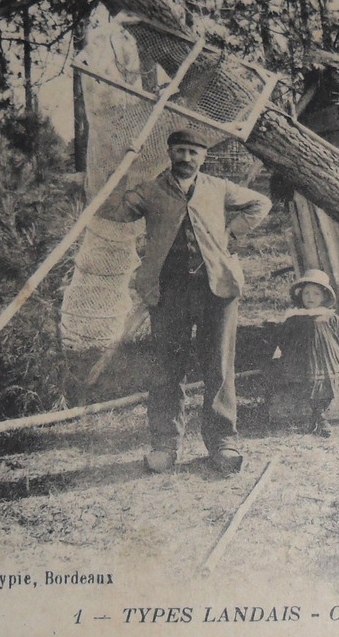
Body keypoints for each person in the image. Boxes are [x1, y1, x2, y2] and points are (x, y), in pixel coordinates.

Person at [102, 129, 271, 474]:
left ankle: (223, 441)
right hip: (168, 290)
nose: (187, 158)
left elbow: (261, 203)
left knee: (219, 366)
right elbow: (115, 211)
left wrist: (229, 232)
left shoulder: (218, 188)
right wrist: (112, 176)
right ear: (170, 153)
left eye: (194, 152)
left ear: (203, 156)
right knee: (166, 368)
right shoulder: (150, 190)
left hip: (217, 289)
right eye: (180, 150)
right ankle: (164, 444)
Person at [270, 268, 339, 437]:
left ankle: (319, 417)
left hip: (325, 361)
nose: (310, 298)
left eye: (316, 294)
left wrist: (331, 352)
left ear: (324, 297)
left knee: (325, 386)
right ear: (300, 295)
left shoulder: (329, 317)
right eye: (306, 293)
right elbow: (283, 338)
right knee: (303, 385)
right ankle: (316, 418)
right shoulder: (294, 317)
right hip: (300, 361)